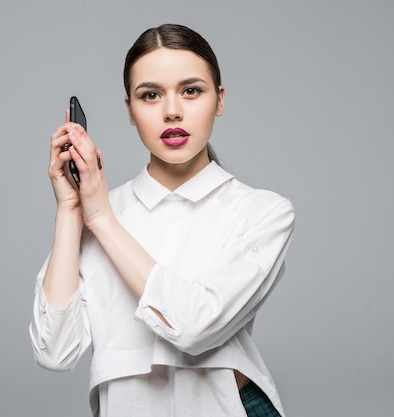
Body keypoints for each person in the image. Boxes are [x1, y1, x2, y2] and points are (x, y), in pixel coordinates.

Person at [29, 23, 295, 417]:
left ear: (219, 100)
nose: (172, 111)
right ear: (130, 111)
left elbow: (193, 327)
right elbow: (54, 352)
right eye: (150, 95)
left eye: (191, 90)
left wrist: (101, 218)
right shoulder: (97, 212)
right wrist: (71, 211)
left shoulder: (263, 212)